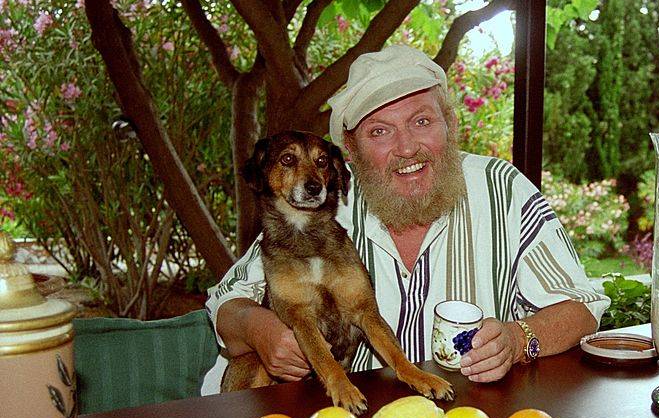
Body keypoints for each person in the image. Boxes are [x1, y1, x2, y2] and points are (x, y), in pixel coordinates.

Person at [203, 45, 608, 393]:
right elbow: (227, 302)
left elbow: (582, 308)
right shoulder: (323, 204)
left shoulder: (503, 191)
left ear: (450, 124)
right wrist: (262, 331)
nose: (407, 148)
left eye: (422, 121)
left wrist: (518, 340)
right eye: (379, 132)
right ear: (352, 149)